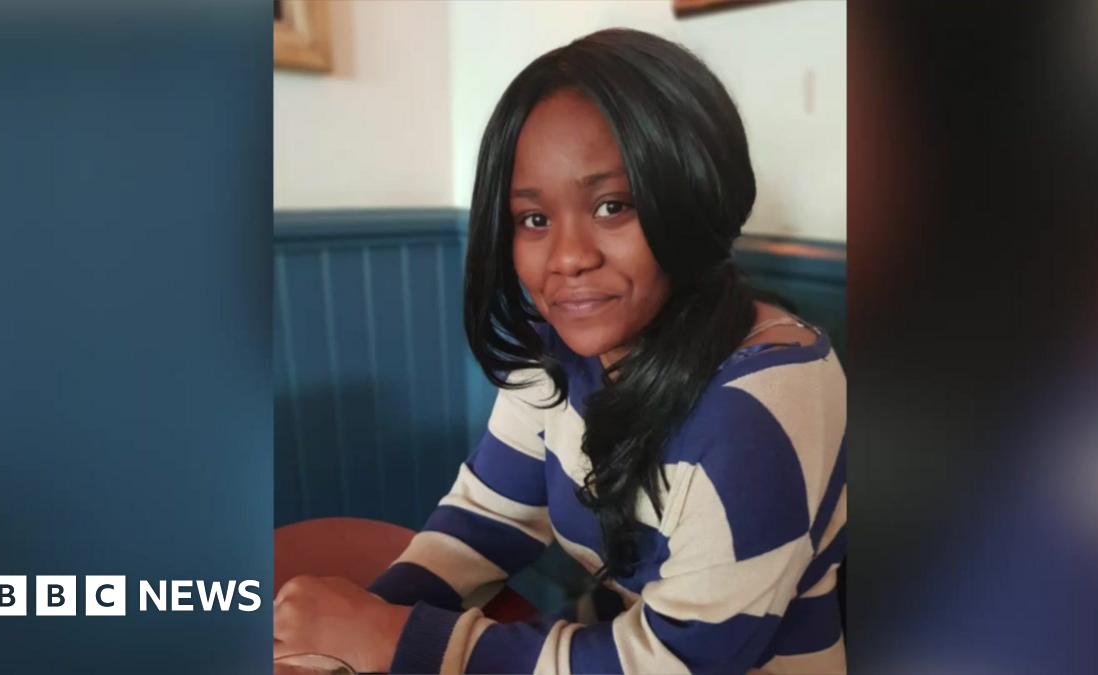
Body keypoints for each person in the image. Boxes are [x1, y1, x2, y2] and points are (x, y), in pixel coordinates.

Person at [273, 28, 846, 674]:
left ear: (691, 195)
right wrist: (356, 629)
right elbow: (487, 513)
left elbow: (677, 661)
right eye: (534, 220)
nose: (569, 258)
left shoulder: (764, 406)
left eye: (612, 206)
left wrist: (398, 638)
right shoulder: (560, 349)